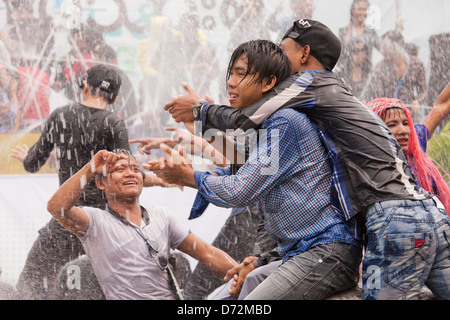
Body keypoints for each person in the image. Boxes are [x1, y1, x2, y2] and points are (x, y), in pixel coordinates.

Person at [163, 19, 450, 300]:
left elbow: (245, 134)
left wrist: (201, 111)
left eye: (282, 49)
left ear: (304, 53)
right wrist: (203, 127)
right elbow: (253, 159)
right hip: (426, 211)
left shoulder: (307, 86)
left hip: (386, 217)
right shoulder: (316, 105)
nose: (231, 82)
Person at [149, 39, 363, 300]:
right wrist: (195, 150)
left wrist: (190, 176)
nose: (230, 81)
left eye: (241, 73)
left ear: (268, 82)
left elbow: (240, 190)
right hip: (299, 252)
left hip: (325, 252)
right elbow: (243, 170)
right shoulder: (268, 124)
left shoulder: (284, 121)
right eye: (231, 73)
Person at [9, 64, 169, 300]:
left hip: (67, 219)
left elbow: (32, 164)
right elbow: (132, 174)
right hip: (105, 224)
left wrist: (27, 157)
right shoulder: (113, 123)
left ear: (84, 85)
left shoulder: (60, 116)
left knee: (29, 286)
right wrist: (164, 180)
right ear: (114, 97)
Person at [46, 149, 238, 300]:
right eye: (120, 170)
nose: (130, 173)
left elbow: (206, 253)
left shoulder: (162, 216)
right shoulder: (95, 223)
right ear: (101, 183)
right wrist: (90, 169)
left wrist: (243, 273)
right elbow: (57, 208)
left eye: (135, 169)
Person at [368, 83, 450, 214]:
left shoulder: (414, 143)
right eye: (392, 124)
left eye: (405, 123)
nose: (403, 130)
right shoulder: (368, 167)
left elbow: (442, 105)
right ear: (376, 131)